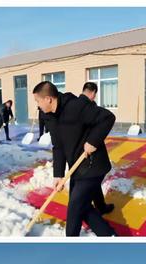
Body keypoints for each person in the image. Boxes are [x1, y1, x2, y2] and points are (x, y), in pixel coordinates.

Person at [33, 81, 116, 236]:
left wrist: (93, 141)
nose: (37, 106)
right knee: (82, 208)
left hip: (92, 165)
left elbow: (108, 117)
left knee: (74, 210)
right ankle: (109, 236)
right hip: (77, 168)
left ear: (48, 99)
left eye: (38, 101)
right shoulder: (49, 116)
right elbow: (58, 146)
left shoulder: (76, 107)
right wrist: (58, 174)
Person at [80, 82, 115, 216]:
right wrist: (93, 141)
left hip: (79, 151)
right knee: (92, 182)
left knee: (94, 181)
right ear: (93, 93)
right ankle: (86, 209)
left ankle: (101, 206)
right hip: (91, 153)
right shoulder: (89, 107)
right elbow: (109, 117)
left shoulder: (74, 105)